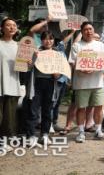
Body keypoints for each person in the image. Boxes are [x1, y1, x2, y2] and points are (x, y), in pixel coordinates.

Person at [69, 21, 104, 143]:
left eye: (90, 29)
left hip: (97, 83)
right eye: (85, 29)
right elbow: (72, 62)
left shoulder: (100, 45)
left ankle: (98, 131)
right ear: (81, 32)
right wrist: (82, 68)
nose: (88, 31)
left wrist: (102, 69)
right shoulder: (77, 46)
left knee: (99, 107)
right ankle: (81, 132)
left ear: (93, 30)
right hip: (81, 83)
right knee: (81, 108)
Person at [26, 31, 68, 144]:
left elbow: (61, 72)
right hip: (36, 83)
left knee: (47, 109)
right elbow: (28, 67)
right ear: (42, 40)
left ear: (54, 41)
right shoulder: (36, 51)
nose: (48, 41)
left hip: (50, 83)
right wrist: (32, 59)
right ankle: (31, 135)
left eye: (50, 39)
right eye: (45, 39)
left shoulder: (57, 54)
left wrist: (57, 74)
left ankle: (44, 134)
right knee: (33, 110)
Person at [0, 18, 21, 152]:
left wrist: (29, 62)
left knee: (9, 118)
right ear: (1, 28)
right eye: (8, 25)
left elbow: (24, 68)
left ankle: (4, 142)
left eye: (14, 25)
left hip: (12, 85)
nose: (12, 27)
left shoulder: (20, 46)